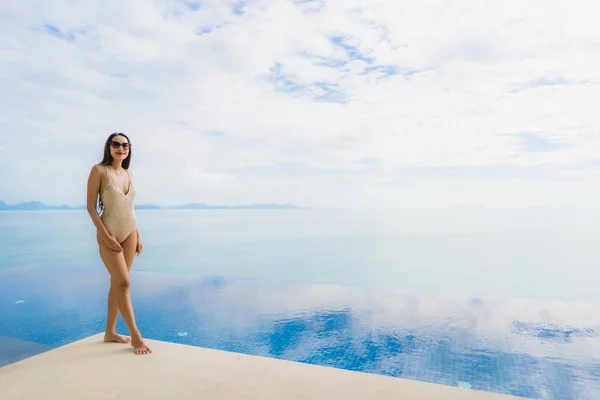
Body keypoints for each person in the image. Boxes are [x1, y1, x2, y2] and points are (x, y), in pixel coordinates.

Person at [86, 132, 151, 355]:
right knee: (123, 282)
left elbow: (129, 208)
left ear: (129, 149)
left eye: (125, 145)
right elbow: (91, 208)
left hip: (130, 233)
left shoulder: (128, 173)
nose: (121, 148)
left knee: (117, 283)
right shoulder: (99, 171)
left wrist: (138, 235)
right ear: (109, 147)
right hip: (110, 233)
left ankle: (110, 332)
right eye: (116, 144)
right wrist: (105, 235)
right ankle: (136, 336)